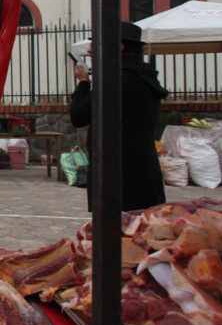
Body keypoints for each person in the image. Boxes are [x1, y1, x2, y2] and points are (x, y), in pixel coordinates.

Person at [69, 20, 169, 211]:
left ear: (118, 47)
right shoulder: (143, 76)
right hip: (143, 173)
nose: (90, 50)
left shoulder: (115, 80)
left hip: (118, 175)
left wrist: (83, 83)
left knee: (121, 236)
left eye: (95, 44)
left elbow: (79, 116)